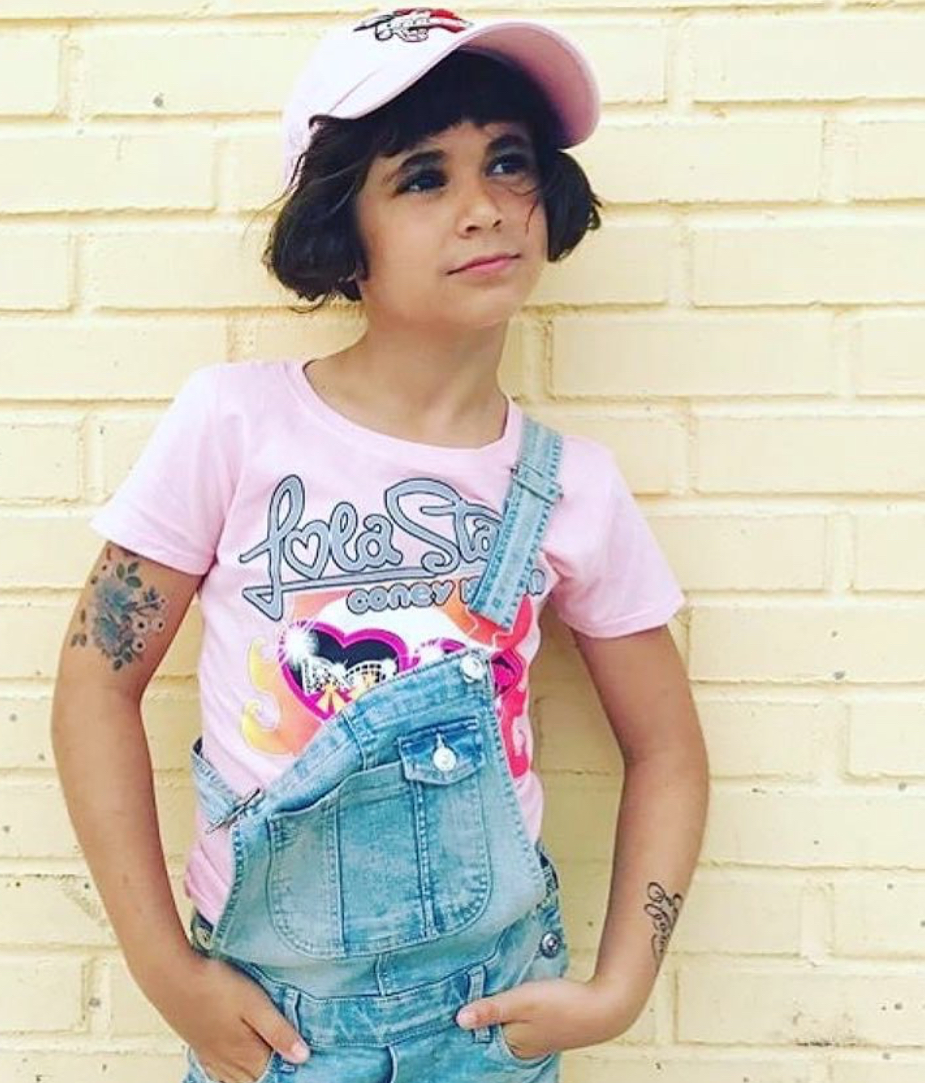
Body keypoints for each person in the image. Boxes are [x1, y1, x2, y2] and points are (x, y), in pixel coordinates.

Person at [51, 7, 709, 1083]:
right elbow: (94, 683)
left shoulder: (571, 486)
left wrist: (620, 988)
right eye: (422, 178)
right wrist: (165, 970)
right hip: (273, 1022)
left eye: (509, 162)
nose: (483, 207)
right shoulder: (237, 424)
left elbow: (668, 749)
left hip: (489, 1017)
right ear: (339, 233)